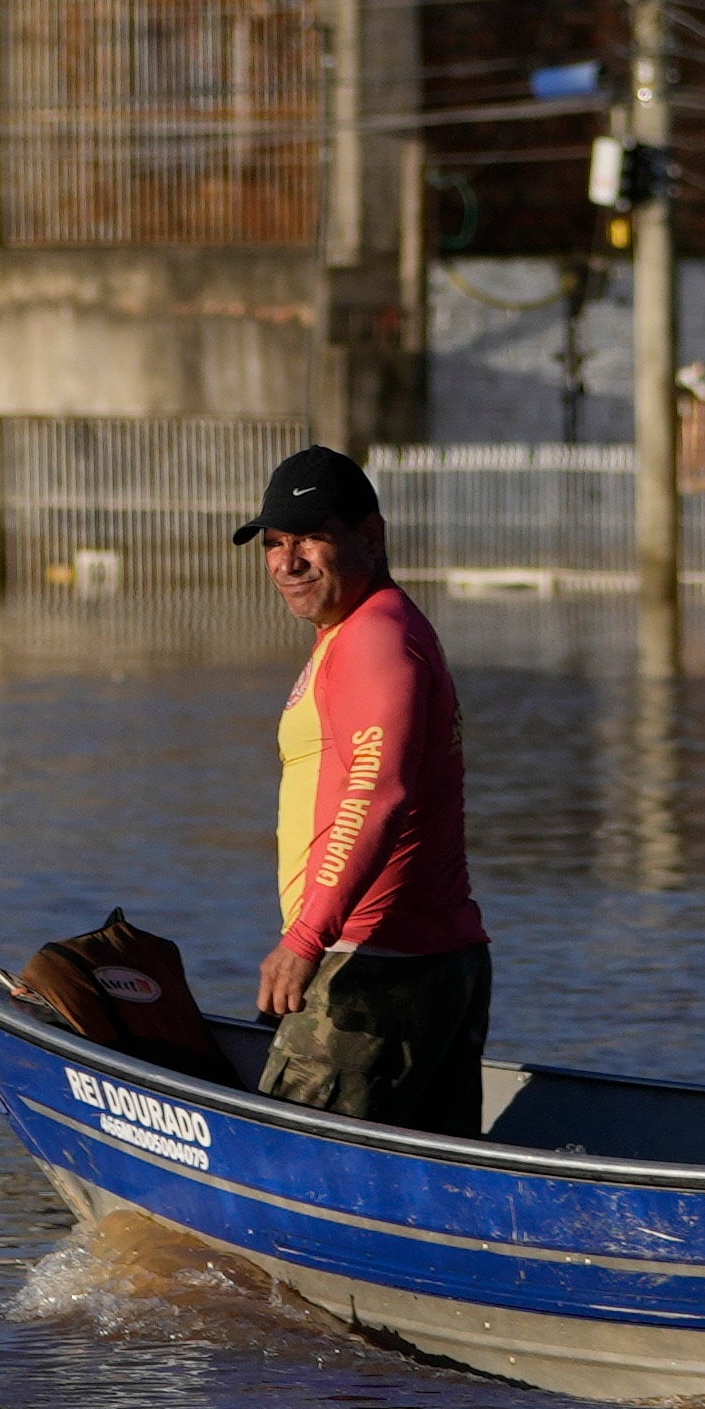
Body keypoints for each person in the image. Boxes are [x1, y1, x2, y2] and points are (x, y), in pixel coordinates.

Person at [236, 443, 489, 1134]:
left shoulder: (375, 639)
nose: (287, 562)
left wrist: (306, 939)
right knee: (430, 1199)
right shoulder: (363, 633)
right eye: (274, 543)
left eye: (311, 539)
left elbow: (379, 793)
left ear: (370, 537)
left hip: (372, 973)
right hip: (425, 961)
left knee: (285, 1177)